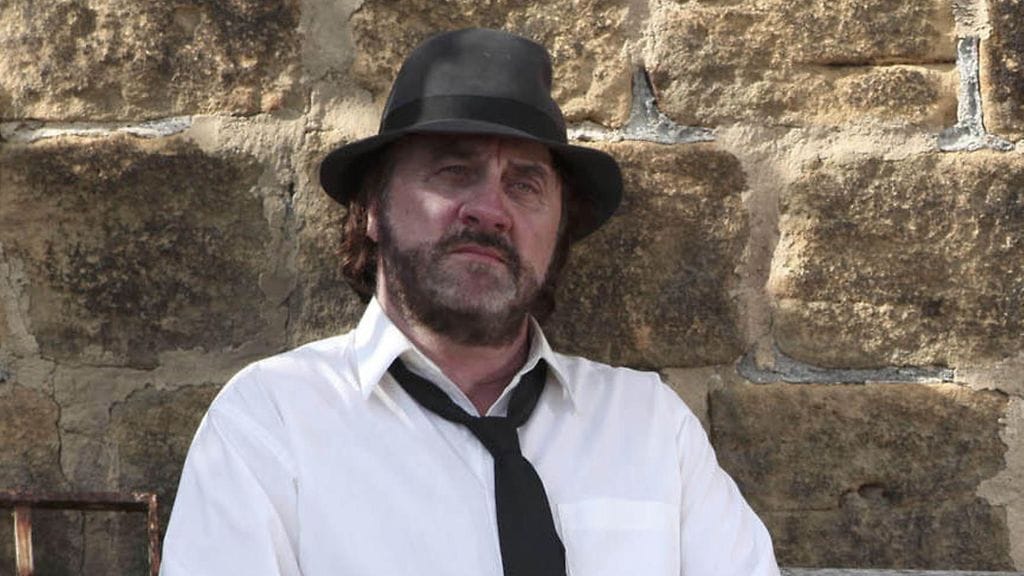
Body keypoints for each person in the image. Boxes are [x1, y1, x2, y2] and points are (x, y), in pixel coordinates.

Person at [161, 28, 779, 576]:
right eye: (454, 171)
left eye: (525, 184)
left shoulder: (650, 427)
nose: (489, 210)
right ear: (372, 207)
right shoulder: (273, 420)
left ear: (558, 229)